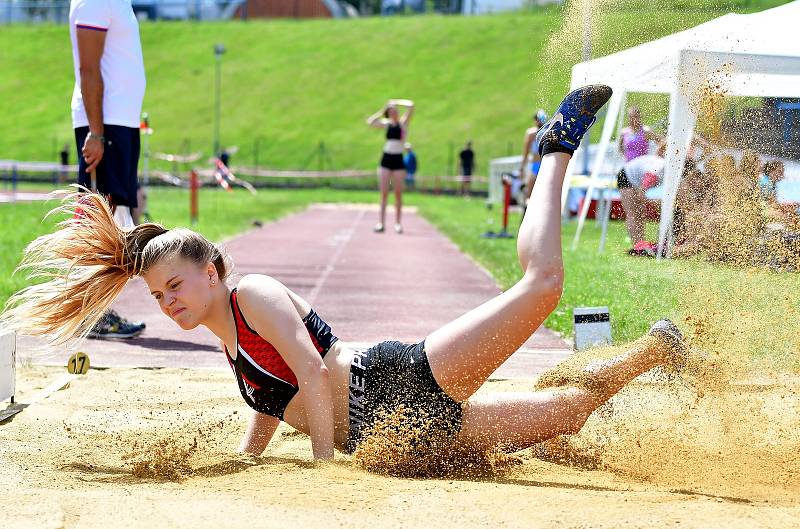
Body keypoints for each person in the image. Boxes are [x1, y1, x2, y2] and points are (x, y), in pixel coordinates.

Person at [0, 85, 688, 464]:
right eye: (158, 296)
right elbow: (274, 404)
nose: (168, 302)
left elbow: (305, 370)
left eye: (175, 286)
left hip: (400, 381)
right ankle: (657, 348)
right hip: (399, 437)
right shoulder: (225, 334)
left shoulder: (253, 294)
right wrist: (251, 458)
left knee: (541, 287)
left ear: (211, 271)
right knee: (566, 412)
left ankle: (555, 148)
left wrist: (327, 467)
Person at [69, 0, 146, 339]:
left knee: (112, 217)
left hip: (120, 122)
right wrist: (96, 132)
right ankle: (89, 313)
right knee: (99, 218)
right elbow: (88, 69)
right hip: (106, 124)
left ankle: (91, 310)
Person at [616, 106, 663, 248]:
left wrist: (656, 156)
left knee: (640, 209)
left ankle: (640, 241)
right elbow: (620, 149)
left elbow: (662, 141)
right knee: (632, 210)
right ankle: (636, 242)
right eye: (631, 116)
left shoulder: (646, 131)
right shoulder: (624, 132)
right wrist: (627, 159)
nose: (633, 119)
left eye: (635, 116)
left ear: (639, 117)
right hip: (630, 171)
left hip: (643, 172)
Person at [367, 99, 414, 234]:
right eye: (391, 111)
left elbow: (411, 105)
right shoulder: (386, 124)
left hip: (398, 161)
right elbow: (370, 122)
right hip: (386, 160)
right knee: (384, 193)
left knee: (398, 193)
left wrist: (395, 102)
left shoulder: (403, 123)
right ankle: (381, 223)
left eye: (396, 110)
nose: (394, 112)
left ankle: (398, 223)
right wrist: (383, 110)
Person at [519, 109, 547, 202]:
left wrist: (522, 167)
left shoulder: (542, 131)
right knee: (531, 193)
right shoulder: (533, 133)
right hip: (537, 164)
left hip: (540, 164)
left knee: (537, 193)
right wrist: (522, 167)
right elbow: (526, 151)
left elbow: (526, 152)